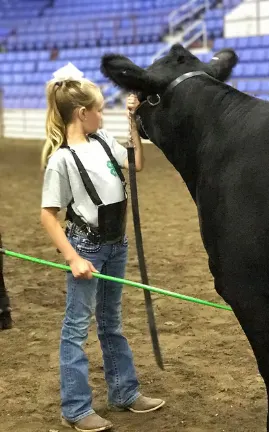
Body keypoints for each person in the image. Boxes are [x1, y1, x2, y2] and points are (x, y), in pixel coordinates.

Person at [40, 74, 165, 432]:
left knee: (111, 321)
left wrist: (132, 122)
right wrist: (73, 257)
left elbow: (136, 164)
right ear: (82, 113)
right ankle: (76, 409)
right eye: (98, 110)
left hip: (115, 244)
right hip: (87, 247)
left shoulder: (104, 140)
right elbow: (48, 215)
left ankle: (124, 392)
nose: (102, 115)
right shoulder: (61, 160)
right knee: (76, 328)